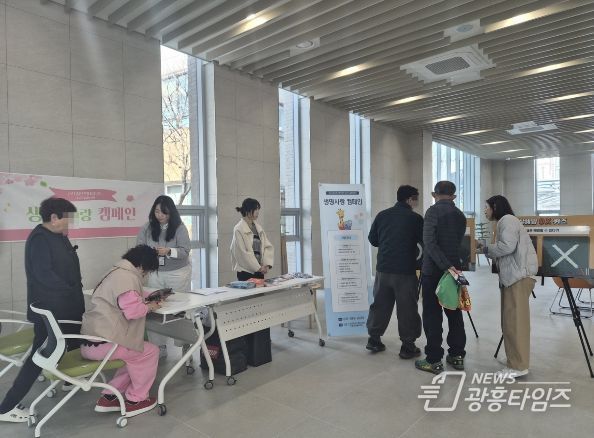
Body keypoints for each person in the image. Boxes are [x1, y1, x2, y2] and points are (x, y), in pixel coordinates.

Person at [0, 198, 84, 423]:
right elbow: (45, 276)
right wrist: (69, 290)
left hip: (65, 309)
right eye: (68, 219)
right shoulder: (39, 239)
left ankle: (68, 380)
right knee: (39, 358)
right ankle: (6, 407)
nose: (70, 224)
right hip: (51, 312)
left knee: (67, 345)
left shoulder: (58, 236)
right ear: (54, 218)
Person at [80, 245, 162, 416]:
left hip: (91, 341)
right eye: (146, 272)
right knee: (149, 351)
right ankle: (136, 399)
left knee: (131, 356)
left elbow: (128, 296)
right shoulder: (127, 278)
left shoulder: (115, 272)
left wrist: (147, 295)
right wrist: (151, 306)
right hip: (104, 344)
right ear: (142, 266)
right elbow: (133, 311)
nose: (145, 275)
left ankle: (109, 396)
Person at [478, 195, 538, 378]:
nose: (485, 210)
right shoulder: (505, 221)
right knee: (510, 321)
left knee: (515, 323)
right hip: (513, 277)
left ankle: (519, 366)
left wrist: (486, 249)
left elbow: (507, 247)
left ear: (495, 207)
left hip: (517, 277)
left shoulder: (507, 220)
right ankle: (514, 359)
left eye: (487, 207)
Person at [366, 185, 424, 359]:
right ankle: (408, 346)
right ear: (409, 199)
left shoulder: (382, 215)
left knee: (380, 305)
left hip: (383, 270)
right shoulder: (415, 219)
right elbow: (424, 242)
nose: (417, 202)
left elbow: (373, 239)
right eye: (416, 198)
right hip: (405, 271)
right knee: (407, 308)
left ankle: (374, 339)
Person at [415, 181, 467, 374]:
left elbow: (429, 242)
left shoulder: (432, 212)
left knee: (432, 315)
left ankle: (434, 359)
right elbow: (457, 244)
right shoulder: (460, 215)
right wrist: (452, 267)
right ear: (454, 196)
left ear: (434, 194)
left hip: (434, 271)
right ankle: (457, 355)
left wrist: (444, 266)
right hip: (454, 271)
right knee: (454, 312)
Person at [137, 195, 191, 357]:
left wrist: (169, 251)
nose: (160, 215)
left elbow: (185, 251)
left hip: (177, 273)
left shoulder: (179, 227)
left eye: (163, 212)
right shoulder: (147, 227)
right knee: (155, 309)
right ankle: (158, 346)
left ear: (170, 212)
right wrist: (147, 254)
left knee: (178, 309)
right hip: (156, 273)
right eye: (157, 211)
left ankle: (184, 342)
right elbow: (139, 247)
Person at [231, 198, 274, 281]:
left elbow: (267, 246)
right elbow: (242, 253)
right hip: (246, 272)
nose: (258, 212)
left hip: (260, 271)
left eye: (258, 209)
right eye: (255, 209)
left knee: (260, 290)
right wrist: (258, 268)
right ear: (248, 210)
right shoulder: (238, 229)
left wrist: (266, 265)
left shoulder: (258, 228)